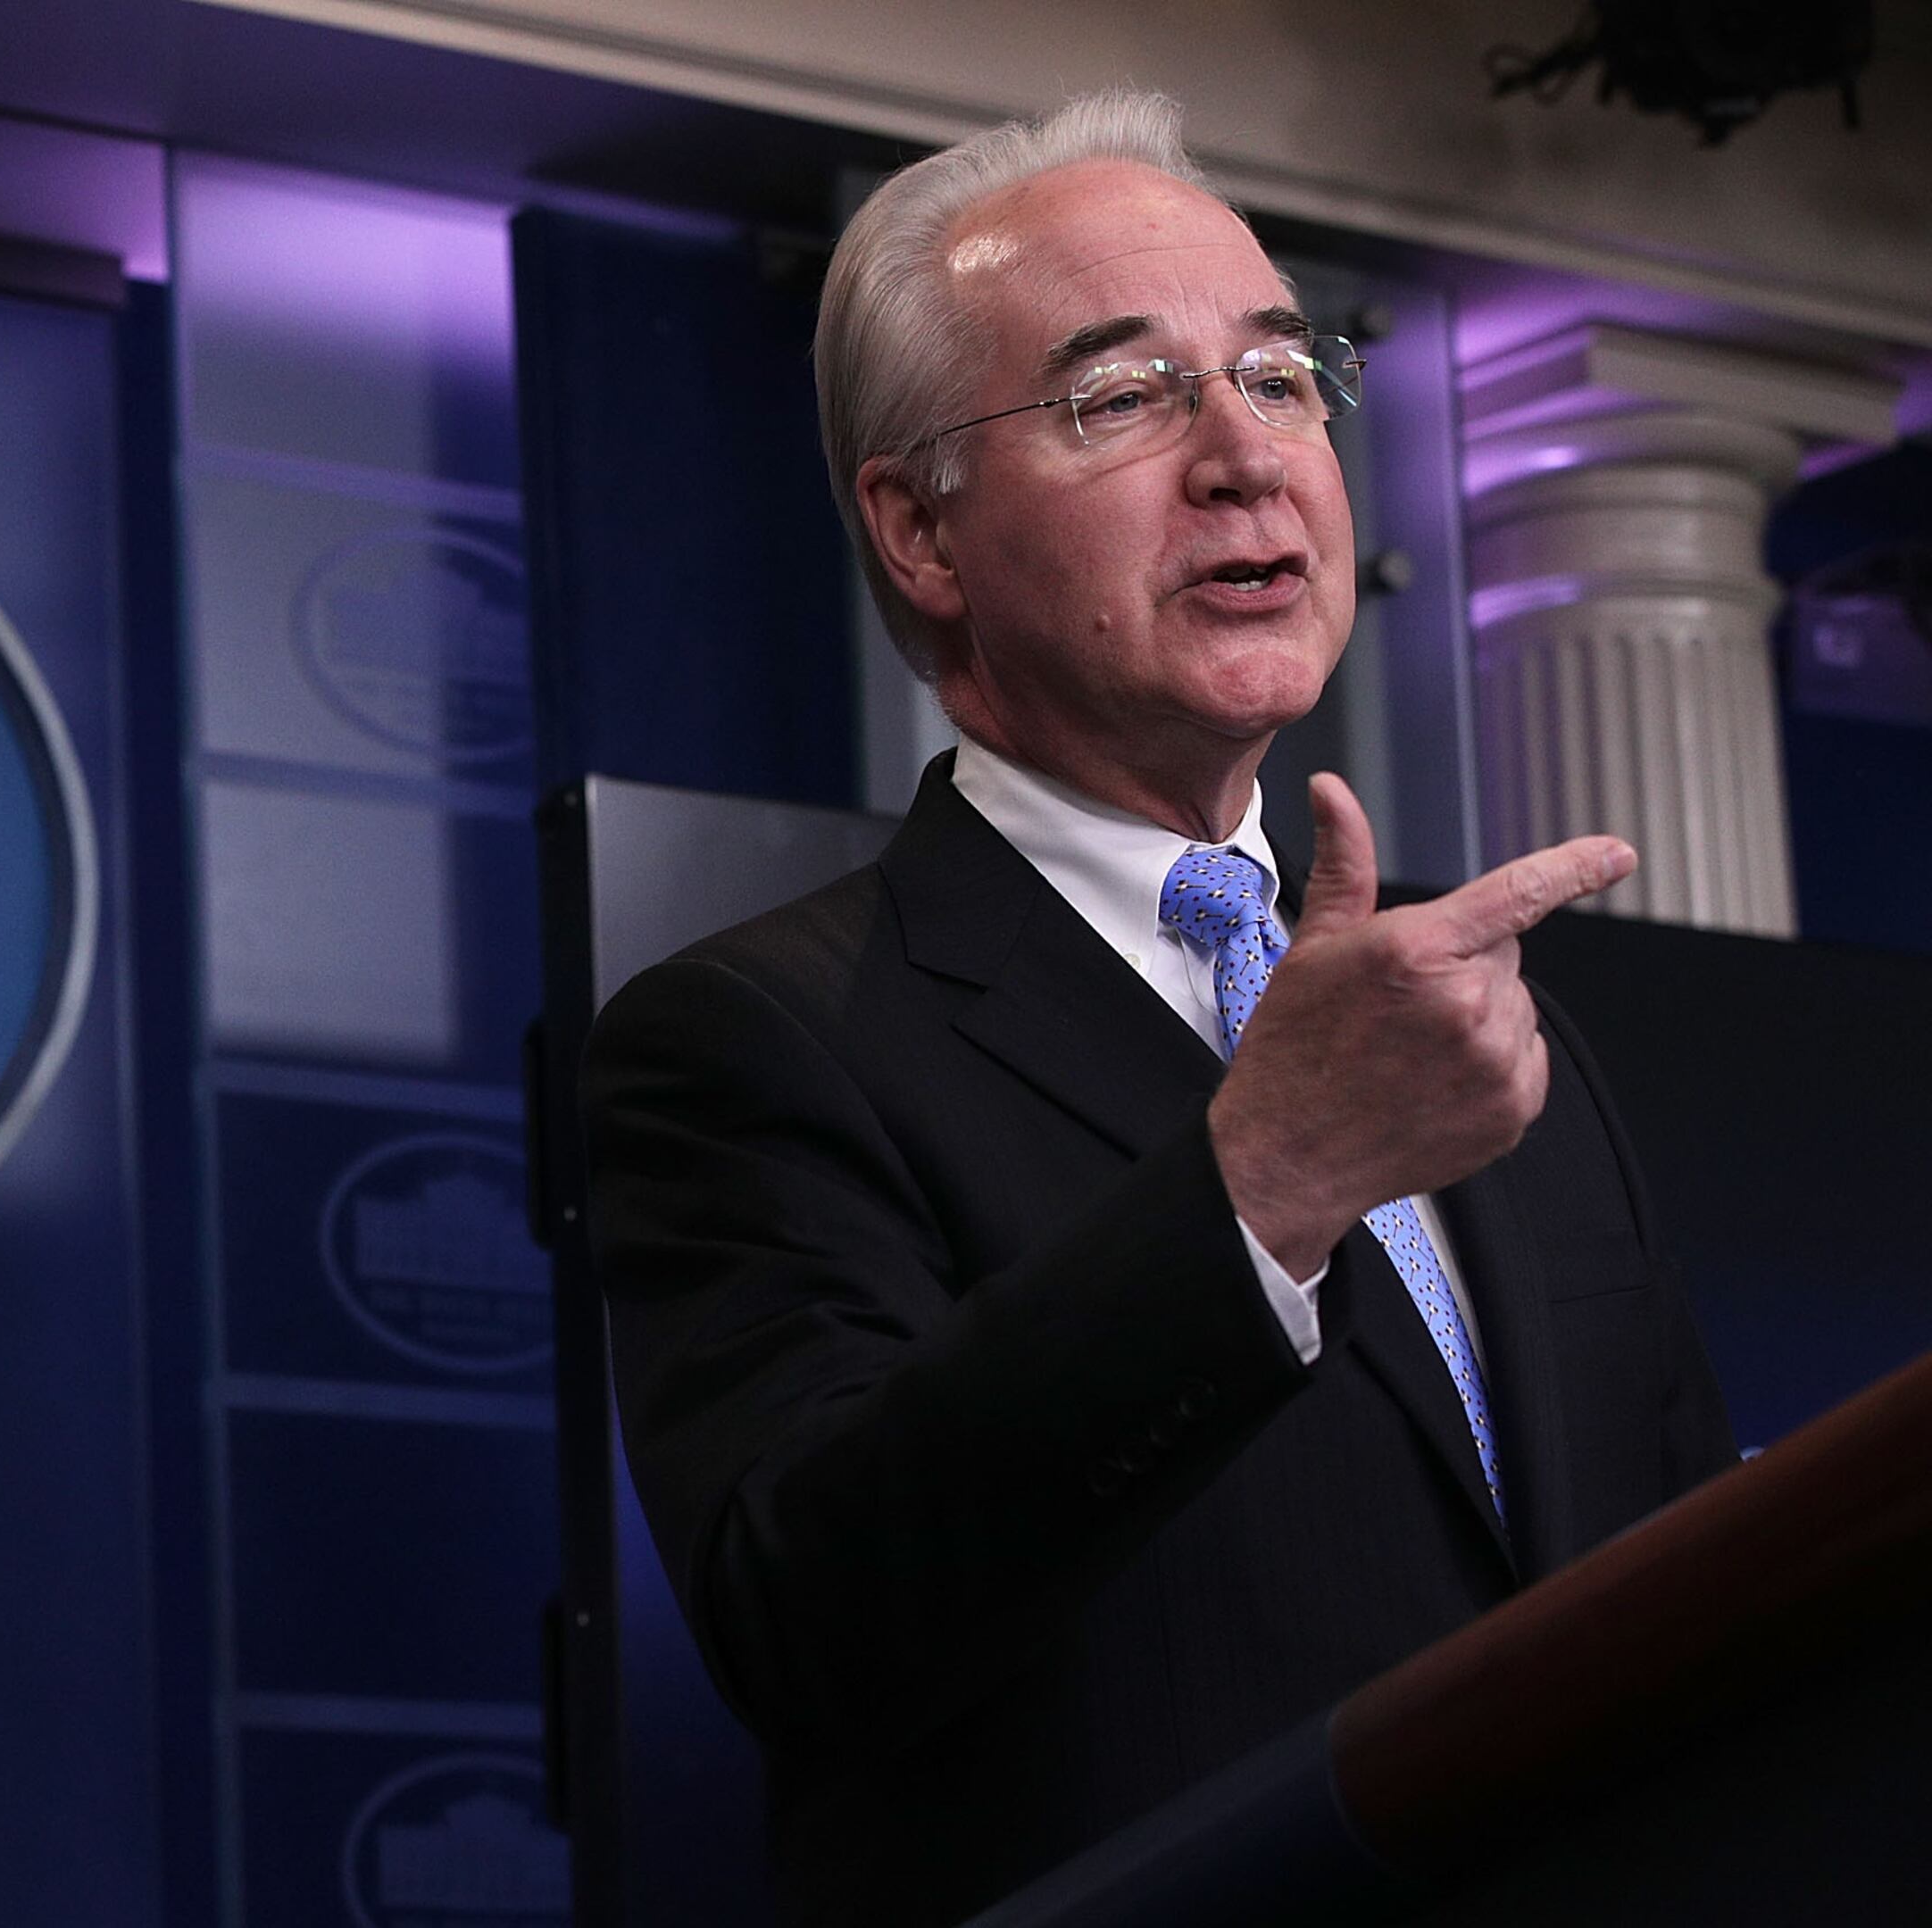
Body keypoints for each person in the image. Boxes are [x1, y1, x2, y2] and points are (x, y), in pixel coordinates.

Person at [580, 89, 1735, 1926]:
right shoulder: (757, 1042)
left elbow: (1688, 1585)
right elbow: (812, 1619)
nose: (1245, 455)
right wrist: (1257, 1188)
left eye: (1282, 375)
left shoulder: (1472, 1020)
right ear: (922, 532)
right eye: (1123, 398)